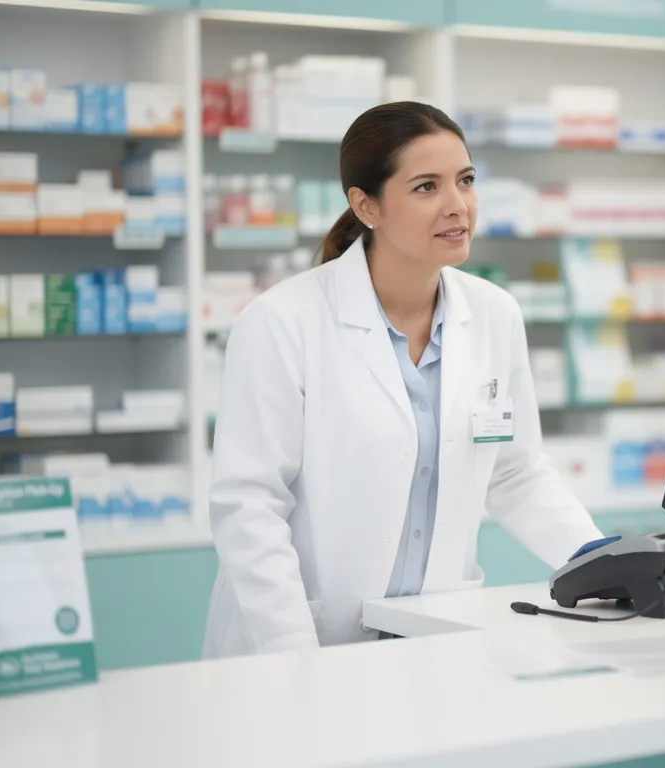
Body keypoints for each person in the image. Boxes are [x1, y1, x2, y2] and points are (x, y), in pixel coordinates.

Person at [203, 102, 604, 657]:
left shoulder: (494, 313)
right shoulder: (281, 321)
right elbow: (249, 506)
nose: (457, 205)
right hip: (305, 638)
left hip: (432, 633)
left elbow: (516, 473)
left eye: (465, 180)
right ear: (366, 205)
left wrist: (598, 559)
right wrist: (295, 654)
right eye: (426, 187)